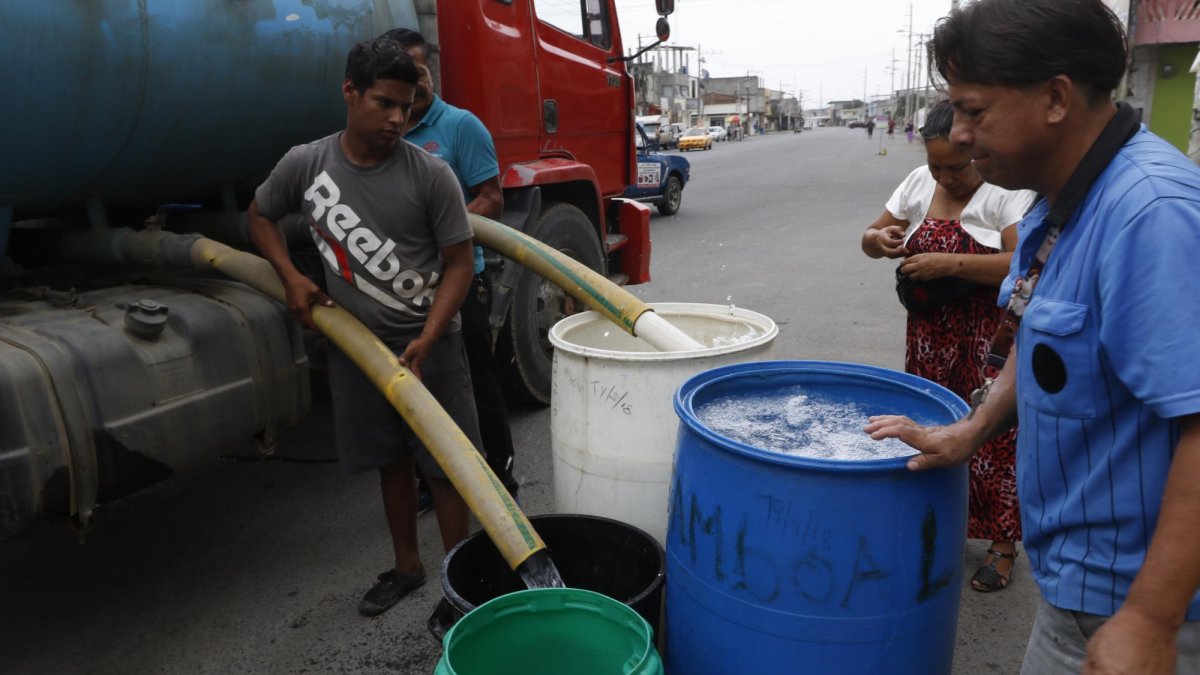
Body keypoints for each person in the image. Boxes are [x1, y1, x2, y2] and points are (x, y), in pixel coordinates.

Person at [865, 1, 1200, 672]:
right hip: (1078, 592)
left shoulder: (1151, 216)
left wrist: (1150, 618)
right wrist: (974, 428)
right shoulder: (1056, 203)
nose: (957, 134)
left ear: (1055, 98)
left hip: (1137, 611)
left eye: (975, 111)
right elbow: (1040, 338)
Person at [248, 38, 481, 618]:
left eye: (406, 107)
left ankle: (459, 587)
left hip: (432, 348)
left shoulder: (432, 176)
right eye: (384, 104)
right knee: (390, 461)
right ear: (349, 93)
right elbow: (259, 216)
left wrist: (430, 334)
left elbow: (458, 264)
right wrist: (290, 277)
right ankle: (407, 568)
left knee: (448, 468)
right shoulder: (306, 164)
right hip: (357, 349)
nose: (398, 119)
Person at [861, 99, 1033, 593]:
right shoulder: (919, 182)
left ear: (974, 148)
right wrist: (881, 239)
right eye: (936, 166)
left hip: (988, 337)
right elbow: (870, 235)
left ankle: (1002, 546)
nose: (945, 177)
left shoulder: (1005, 190)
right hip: (931, 336)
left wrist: (949, 264)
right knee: (931, 427)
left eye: (955, 167)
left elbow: (1023, 264)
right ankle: (940, 525)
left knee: (994, 435)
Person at [381, 28, 520, 505]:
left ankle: (501, 482)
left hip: (461, 281)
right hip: (401, 287)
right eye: (403, 77)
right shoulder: (384, 132)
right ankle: (433, 481)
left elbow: (492, 199)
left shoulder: (461, 127)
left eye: (420, 73)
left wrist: (447, 230)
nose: (415, 87)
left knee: (477, 386)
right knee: (419, 389)